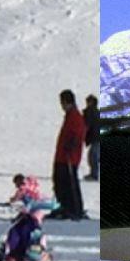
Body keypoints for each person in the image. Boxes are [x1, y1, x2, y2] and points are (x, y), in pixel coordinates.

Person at [52, 89, 88, 221]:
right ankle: (64, 206)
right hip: (62, 156)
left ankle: (74, 209)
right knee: (59, 182)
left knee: (69, 183)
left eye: (62, 102)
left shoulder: (75, 116)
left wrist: (71, 144)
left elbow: (78, 133)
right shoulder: (70, 115)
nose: (61, 106)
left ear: (68, 102)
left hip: (69, 157)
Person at [84, 95, 102, 180]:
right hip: (96, 137)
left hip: (96, 138)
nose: (86, 103)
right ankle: (93, 174)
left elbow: (87, 124)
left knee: (93, 156)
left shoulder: (91, 111)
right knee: (92, 156)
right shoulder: (96, 112)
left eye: (88, 101)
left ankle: (94, 175)